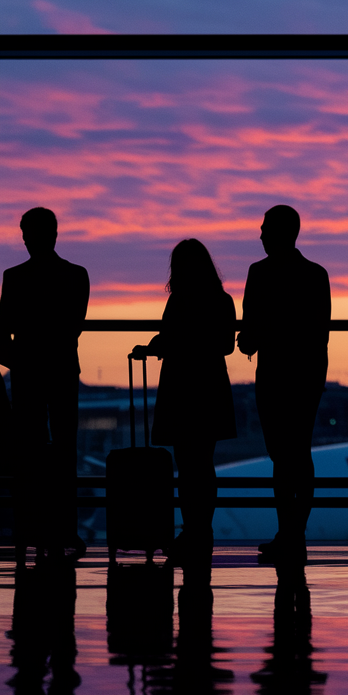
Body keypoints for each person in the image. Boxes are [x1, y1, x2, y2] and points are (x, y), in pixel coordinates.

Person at [132, 239, 237, 562]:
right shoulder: (221, 300)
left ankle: (193, 529)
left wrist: (157, 346)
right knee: (203, 464)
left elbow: (169, 338)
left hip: (180, 386)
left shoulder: (178, 301)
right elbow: (224, 345)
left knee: (187, 465)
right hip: (208, 386)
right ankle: (201, 530)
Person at [0, 206, 90, 558]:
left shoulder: (15, 277)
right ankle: (65, 529)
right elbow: (72, 328)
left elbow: (4, 328)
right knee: (65, 451)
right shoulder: (76, 275)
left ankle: (32, 528)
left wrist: (18, 357)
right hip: (62, 369)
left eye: (26, 233)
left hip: (28, 373)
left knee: (31, 453)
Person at [238, 205, 331, 561]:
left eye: (263, 229)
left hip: (274, 375)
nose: (259, 234)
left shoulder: (259, 273)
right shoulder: (316, 274)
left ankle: (286, 531)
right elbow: (319, 332)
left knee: (280, 456)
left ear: (276, 232)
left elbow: (250, 336)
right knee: (300, 453)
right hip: (307, 376)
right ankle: (296, 532)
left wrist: (249, 340)